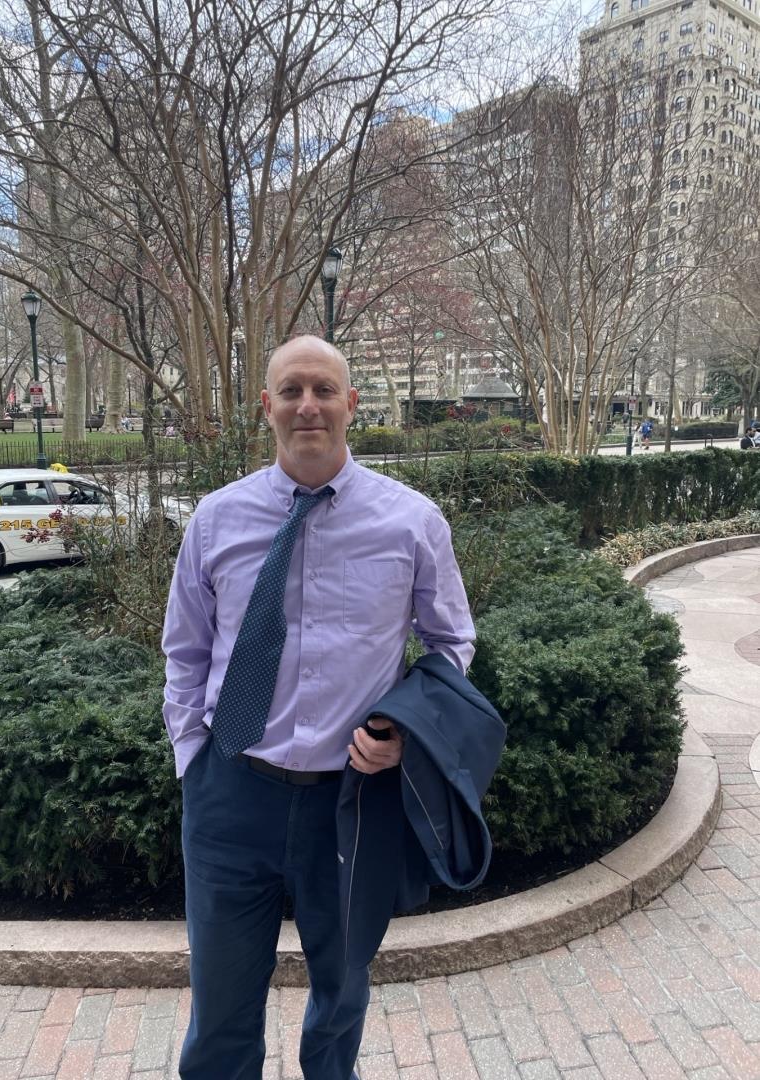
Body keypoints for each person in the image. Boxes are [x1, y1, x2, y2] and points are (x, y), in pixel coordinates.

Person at [162, 334, 474, 1080]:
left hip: (352, 801)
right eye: (292, 391)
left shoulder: (412, 522)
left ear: (351, 405)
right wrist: (193, 758)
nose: (309, 406)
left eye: (324, 390)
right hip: (232, 793)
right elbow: (185, 651)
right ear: (266, 406)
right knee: (220, 1010)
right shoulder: (216, 519)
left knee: (341, 997)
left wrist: (407, 733)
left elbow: (451, 643)